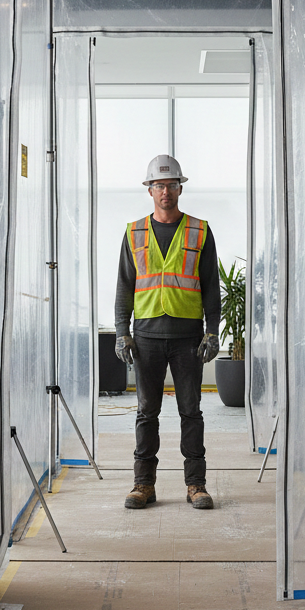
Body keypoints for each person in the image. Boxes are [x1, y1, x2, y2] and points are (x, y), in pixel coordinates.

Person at [114, 154, 221, 510]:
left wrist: (212, 331)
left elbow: (210, 287)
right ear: (149, 190)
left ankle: (196, 485)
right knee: (147, 413)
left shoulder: (199, 230)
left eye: (171, 185)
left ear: (180, 188)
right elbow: (124, 288)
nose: (165, 191)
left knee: (191, 411)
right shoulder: (134, 232)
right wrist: (121, 332)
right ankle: (143, 484)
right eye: (158, 185)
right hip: (146, 337)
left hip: (188, 337)